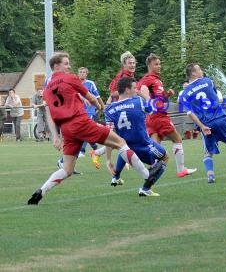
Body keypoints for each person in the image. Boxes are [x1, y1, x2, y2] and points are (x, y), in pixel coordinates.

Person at [27, 52, 161, 205]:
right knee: (121, 142)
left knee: (67, 169)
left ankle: (41, 191)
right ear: (56, 66)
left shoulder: (47, 88)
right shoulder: (70, 78)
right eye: (66, 63)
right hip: (80, 122)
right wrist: (99, 106)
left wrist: (56, 136)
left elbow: (49, 112)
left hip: (66, 129)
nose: (69, 66)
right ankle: (147, 176)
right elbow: (90, 96)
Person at [104, 77, 172, 196]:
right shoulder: (138, 101)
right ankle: (145, 189)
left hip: (126, 149)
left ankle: (116, 177)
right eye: (134, 88)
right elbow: (154, 109)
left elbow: (108, 135)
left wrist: (108, 159)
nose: (136, 90)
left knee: (123, 147)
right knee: (165, 157)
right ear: (126, 90)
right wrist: (146, 95)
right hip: (143, 144)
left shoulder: (109, 109)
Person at [137, 53, 196, 178]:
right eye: (156, 64)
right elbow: (139, 90)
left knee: (156, 146)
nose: (159, 66)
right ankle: (181, 169)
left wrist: (167, 95)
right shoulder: (148, 78)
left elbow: (160, 99)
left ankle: (151, 167)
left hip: (152, 117)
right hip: (159, 116)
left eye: (159, 64)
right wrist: (149, 101)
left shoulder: (156, 79)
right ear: (149, 65)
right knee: (177, 139)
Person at [77, 67, 105, 157]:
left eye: (83, 72)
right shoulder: (76, 84)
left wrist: (102, 107)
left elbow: (97, 96)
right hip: (79, 112)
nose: (82, 73)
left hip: (89, 111)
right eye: (80, 72)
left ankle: (82, 150)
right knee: (87, 131)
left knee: (85, 130)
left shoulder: (90, 83)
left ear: (86, 74)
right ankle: (96, 148)